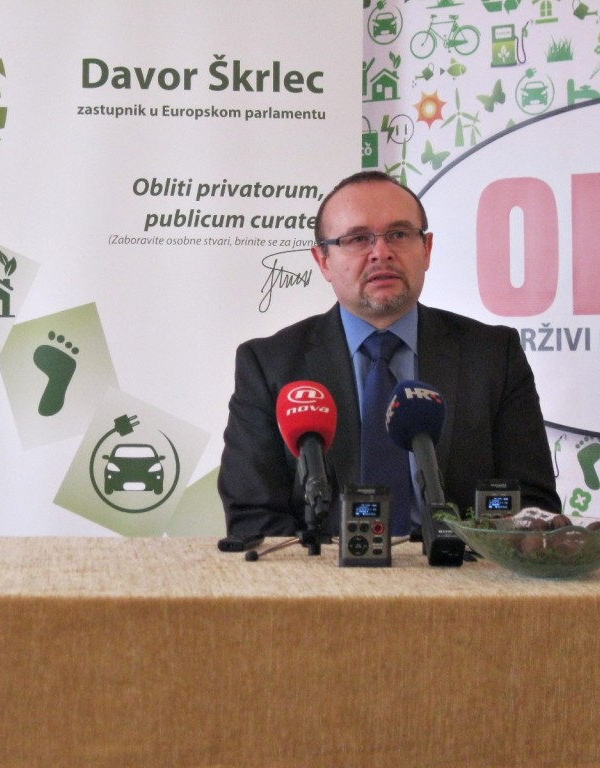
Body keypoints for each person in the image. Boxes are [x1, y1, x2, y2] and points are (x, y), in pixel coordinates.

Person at [218, 170, 560, 538]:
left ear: (426, 249)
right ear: (323, 261)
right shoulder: (269, 365)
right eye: (357, 239)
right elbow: (253, 515)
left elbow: (533, 506)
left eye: (398, 234)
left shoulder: (493, 356)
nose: (381, 252)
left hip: (461, 569)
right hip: (325, 571)